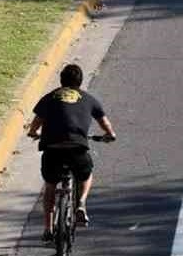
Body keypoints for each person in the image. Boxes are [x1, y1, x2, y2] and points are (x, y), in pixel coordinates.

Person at [27, 63, 116, 242]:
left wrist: (33, 133)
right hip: (77, 148)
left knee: (50, 185)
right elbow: (105, 123)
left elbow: (36, 122)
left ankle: (47, 228)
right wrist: (109, 134)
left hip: (52, 149)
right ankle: (81, 202)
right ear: (80, 82)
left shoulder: (49, 97)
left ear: (61, 81)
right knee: (86, 174)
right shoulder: (88, 99)